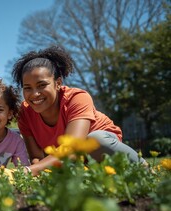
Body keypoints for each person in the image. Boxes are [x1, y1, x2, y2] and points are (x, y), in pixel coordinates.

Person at [11, 45, 146, 176]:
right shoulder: (25, 112)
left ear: (57, 83)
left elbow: (73, 148)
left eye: (42, 85)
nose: (35, 94)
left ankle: (142, 166)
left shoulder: (77, 98)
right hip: (73, 162)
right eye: (28, 88)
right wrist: (36, 172)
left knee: (95, 139)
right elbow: (36, 156)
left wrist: (28, 171)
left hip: (102, 149)